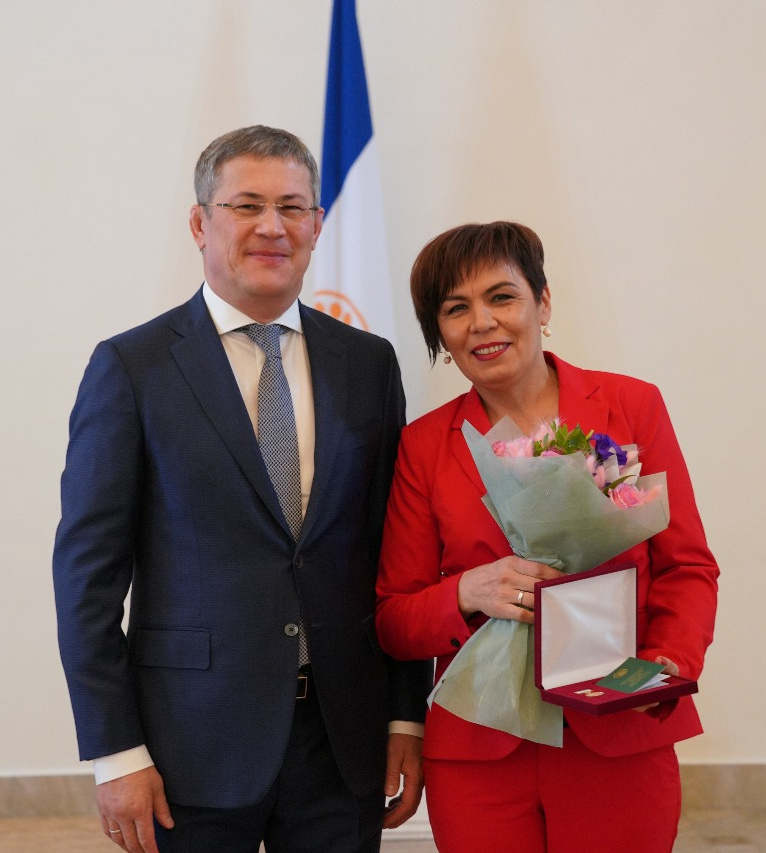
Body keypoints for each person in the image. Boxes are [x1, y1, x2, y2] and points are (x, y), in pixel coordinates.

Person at [53, 125, 431, 853]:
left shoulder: (368, 364)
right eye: (247, 205)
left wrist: (404, 716)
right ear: (201, 224)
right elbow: (86, 578)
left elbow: (397, 555)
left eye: (292, 207)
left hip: (342, 739)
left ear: (317, 225)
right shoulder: (132, 367)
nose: (272, 226)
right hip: (188, 743)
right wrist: (116, 751)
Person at [375, 221, 719, 852]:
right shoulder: (423, 446)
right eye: (455, 308)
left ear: (543, 303)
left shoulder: (631, 405)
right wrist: (465, 593)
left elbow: (686, 566)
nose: (482, 322)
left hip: (618, 726)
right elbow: (394, 618)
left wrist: (667, 663)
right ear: (440, 334)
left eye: (501, 297)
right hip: (480, 749)